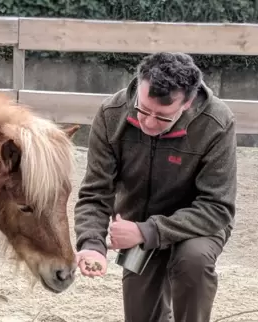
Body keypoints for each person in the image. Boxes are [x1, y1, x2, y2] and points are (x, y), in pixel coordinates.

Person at [73, 52, 237, 322]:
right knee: (141, 315)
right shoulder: (111, 114)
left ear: (187, 103)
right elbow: (95, 192)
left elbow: (217, 207)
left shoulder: (217, 122)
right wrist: (91, 244)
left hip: (197, 226)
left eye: (162, 117)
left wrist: (147, 231)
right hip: (139, 225)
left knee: (192, 262)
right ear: (139, 86)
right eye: (143, 109)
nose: (148, 122)